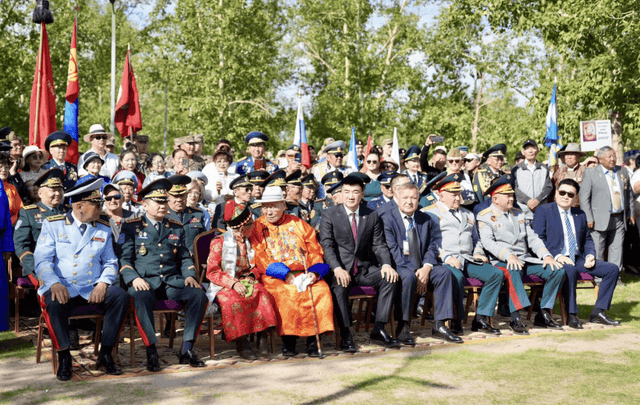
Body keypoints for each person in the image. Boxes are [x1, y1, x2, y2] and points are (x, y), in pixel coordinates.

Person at [34, 177, 130, 380]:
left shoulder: (103, 228)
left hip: (91, 288)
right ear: (79, 206)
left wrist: (103, 283)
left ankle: (105, 354)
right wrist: (54, 283)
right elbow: (42, 261)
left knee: (120, 296)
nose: (100, 208)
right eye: (96, 205)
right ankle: (64, 356)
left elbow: (111, 262)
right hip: (63, 286)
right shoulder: (54, 225)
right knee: (53, 301)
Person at [120, 179, 208, 371]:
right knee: (141, 298)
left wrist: (189, 274)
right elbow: (125, 260)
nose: (162, 205)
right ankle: (152, 351)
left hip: (171, 283)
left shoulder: (175, 226)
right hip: (145, 283)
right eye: (157, 202)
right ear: (145, 204)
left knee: (198, 295)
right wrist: (134, 279)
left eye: (163, 201)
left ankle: (187, 349)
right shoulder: (131, 226)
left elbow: (185, 257)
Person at [250, 186, 333, 357]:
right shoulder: (257, 227)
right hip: (275, 276)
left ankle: (313, 339)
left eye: (273, 206)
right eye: (265, 206)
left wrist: (313, 273)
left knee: (320, 291)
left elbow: (314, 249)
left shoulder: (299, 224)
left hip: (303, 271)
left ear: (283, 205)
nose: (269, 211)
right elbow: (260, 256)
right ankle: (289, 341)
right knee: (286, 293)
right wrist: (285, 274)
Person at [319, 175, 400, 351]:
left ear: (362, 194)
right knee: (339, 287)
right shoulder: (329, 215)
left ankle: (379, 327)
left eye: (355, 192)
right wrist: (338, 268)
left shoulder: (371, 214)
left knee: (390, 277)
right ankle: (346, 333)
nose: (350, 196)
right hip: (340, 269)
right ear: (341, 193)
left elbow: (379, 244)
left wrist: (386, 264)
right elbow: (327, 246)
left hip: (363, 269)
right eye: (346, 192)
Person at [477, 175, 565, 335]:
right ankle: (515, 317)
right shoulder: (485, 215)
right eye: (507, 195)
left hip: (524, 259)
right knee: (513, 270)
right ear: (495, 199)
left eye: (512, 194)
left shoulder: (518, 214)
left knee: (557, 270)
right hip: (502, 261)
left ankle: (544, 312)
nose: (512, 198)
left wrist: (546, 255)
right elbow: (488, 243)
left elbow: (532, 238)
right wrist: (508, 256)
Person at [381, 181, 464, 344]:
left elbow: (433, 247)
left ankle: (440, 324)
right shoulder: (387, 219)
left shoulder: (427, 219)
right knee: (407, 277)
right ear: (397, 198)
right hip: (400, 266)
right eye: (405, 197)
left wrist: (426, 267)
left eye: (413, 198)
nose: (409, 202)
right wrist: (416, 272)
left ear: (419, 199)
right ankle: (403, 326)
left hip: (422, 266)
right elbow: (392, 250)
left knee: (444, 273)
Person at [532, 179, 621, 328]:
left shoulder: (580, 214)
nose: (565, 196)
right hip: (555, 258)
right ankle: (572, 314)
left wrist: (590, 255)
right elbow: (538, 238)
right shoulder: (544, 210)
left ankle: (598, 312)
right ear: (556, 193)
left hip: (578, 258)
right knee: (570, 270)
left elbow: (587, 239)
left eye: (570, 194)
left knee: (612, 269)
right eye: (562, 192)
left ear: (575, 198)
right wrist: (558, 256)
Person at [422, 174, 504, 335]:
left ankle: (481, 317)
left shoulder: (468, 213)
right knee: (456, 277)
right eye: (454, 194)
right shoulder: (428, 213)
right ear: (441, 194)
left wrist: (478, 252)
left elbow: (476, 239)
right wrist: (445, 256)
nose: (458, 198)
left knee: (495, 274)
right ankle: (455, 320)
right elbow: (427, 243)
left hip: (467, 259)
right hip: (444, 261)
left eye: (459, 194)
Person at [205, 200, 278, 359]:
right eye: (251, 224)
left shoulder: (249, 241)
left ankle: (262, 337)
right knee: (233, 300)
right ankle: (241, 343)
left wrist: (252, 276)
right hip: (226, 284)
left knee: (263, 294)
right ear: (243, 227)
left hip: (247, 279)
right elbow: (212, 271)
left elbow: (258, 263)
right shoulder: (219, 242)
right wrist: (233, 283)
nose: (254, 227)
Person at [580, 146, 635, 285]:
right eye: (608, 156)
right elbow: (584, 197)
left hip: (619, 217)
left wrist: (631, 213)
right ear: (600, 159)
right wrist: (588, 217)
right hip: (598, 219)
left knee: (617, 250)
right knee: (598, 249)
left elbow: (629, 194)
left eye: (613, 156)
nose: (612, 159)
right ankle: (599, 278)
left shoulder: (622, 171)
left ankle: (615, 278)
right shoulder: (591, 173)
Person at [14, 169, 66, 285]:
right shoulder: (28, 213)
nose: (57, 193)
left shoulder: (68, 213)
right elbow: (21, 245)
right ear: (40, 193)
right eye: (53, 190)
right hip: (38, 266)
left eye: (59, 189)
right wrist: (39, 268)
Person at [512, 139, 553, 222]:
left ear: (537, 150)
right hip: (522, 212)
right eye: (527, 148)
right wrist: (528, 201)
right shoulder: (516, 169)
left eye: (533, 148)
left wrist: (537, 200)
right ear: (523, 152)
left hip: (541, 211)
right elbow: (514, 188)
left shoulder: (544, 168)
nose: (530, 151)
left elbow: (548, 187)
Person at [167, 175, 207, 253]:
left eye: (182, 195)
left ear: (186, 195)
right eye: (175, 196)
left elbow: (204, 241)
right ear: (168, 197)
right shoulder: (162, 217)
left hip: (194, 261)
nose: (179, 199)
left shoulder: (197, 215)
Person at [103, 183, 135, 247]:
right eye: (108, 198)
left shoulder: (134, 217)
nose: (113, 201)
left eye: (116, 197)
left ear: (123, 199)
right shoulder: (99, 218)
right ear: (104, 202)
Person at [0, 155, 23, 225]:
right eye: (0, 167)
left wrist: (9, 222)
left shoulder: (11, 188)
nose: (4, 170)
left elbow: (19, 209)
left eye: (6, 167)